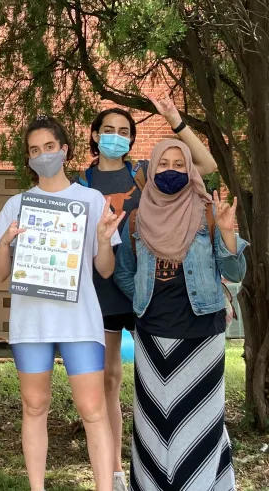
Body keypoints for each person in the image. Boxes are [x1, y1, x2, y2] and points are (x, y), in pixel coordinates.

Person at [79, 93, 218, 490]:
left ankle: (165, 463)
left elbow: (204, 166)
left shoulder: (147, 170)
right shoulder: (80, 182)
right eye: (108, 130)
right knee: (109, 379)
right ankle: (117, 471)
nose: (116, 137)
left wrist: (176, 120)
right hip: (104, 289)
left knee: (155, 384)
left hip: (152, 297)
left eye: (124, 132)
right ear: (94, 134)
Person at [0, 115, 123, 491]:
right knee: (33, 407)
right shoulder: (18, 204)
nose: (42, 155)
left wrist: (102, 240)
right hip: (32, 324)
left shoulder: (91, 200)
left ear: (64, 150)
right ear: (28, 159)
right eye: (34, 150)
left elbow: (106, 270)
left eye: (49, 147)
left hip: (80, 322)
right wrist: (4, 244)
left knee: (94, 411)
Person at [114, 139, 246, 491]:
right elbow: (124, 272)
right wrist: (145, 297)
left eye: (178, 164)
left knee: (202, 421)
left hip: (203, 334)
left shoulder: (206, 213)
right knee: (153, 423)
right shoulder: (136, 220)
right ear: (152, 169)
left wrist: (229, 232)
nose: (170, 170)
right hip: (152, 336)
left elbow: (234, 272)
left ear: (190, 171)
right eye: (163, 164)